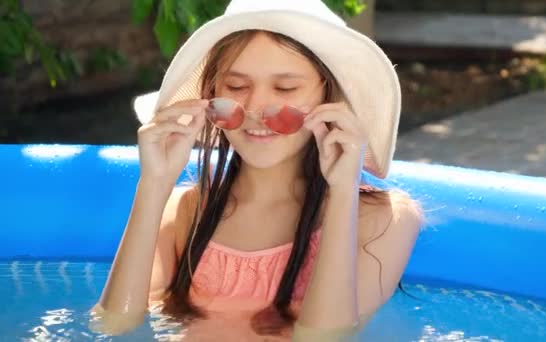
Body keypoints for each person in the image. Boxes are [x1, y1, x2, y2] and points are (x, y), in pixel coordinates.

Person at [91, 0, 423, 340]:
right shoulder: (183, 212)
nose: (255, 108)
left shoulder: (383, 220)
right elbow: (115, 326)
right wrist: (154, 184)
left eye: (285, 88)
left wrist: (342, 193)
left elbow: (323, 337)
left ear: (330, 97)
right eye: (236, 86)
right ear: (210, 95)